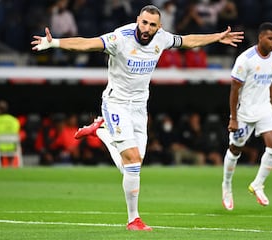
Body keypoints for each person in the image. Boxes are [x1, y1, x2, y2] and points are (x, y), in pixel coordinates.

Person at [31, 4, 243, 230]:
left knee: (132, 167)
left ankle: (101, 132)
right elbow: (87, 43)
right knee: (132, 160)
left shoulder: (161, 38)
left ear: (158, 27)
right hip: (116, 104)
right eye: (144, 23)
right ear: (137, 20)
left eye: (152, 25)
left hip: (140, 107)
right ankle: (134, 219)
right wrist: (54, 43)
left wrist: (217, 37)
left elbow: (188, 40)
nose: (147, 28)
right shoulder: (119, 38)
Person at [221, 22, 272, 211]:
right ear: (260, 37)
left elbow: (270, 81)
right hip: (245, 113)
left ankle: (257, 184)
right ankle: (227, 185)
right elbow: (234, 90)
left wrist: (271, 107)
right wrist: (233, 117)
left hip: (264, 110)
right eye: (270, 38)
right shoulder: (245, 59)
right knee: (236, 149)